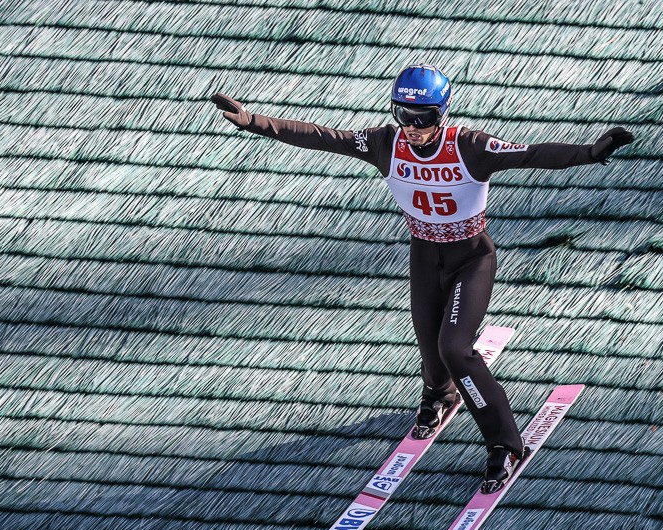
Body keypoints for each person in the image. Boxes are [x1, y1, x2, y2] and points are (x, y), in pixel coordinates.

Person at [212, 64, 633, 493]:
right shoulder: (385, 143)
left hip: (471, 259)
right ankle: (438, 393)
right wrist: (253, 121)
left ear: (442, 113)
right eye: (403, 115)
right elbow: (323, 136)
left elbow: (531, 154)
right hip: (425, 256)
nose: (412, 128)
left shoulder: (469, 146)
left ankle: (504, 443)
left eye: (424, 117)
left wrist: (590, 152)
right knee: (430, 345)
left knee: (455, 349)